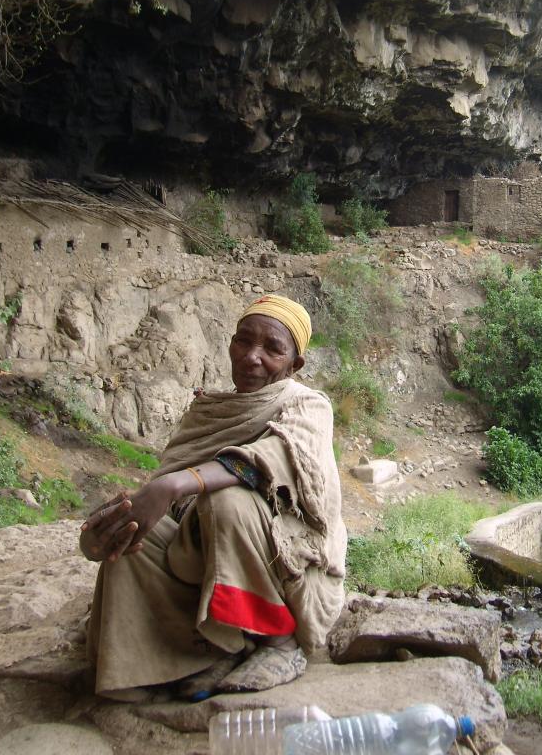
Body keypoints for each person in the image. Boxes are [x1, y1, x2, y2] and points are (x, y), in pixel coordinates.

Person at [80, 294, 347, 700]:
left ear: (295, 364)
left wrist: (174, 484)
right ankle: (208, 649)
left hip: (284, 563)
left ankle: (278, 639)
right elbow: (171, 508)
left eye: (272, 349)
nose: (252, 357)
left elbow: (271, 461)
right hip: (207, 555)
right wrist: (110, 529)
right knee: (137, 531)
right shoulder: (208, 412)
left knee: (227, 502)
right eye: (244, 341)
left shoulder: (307, 405)